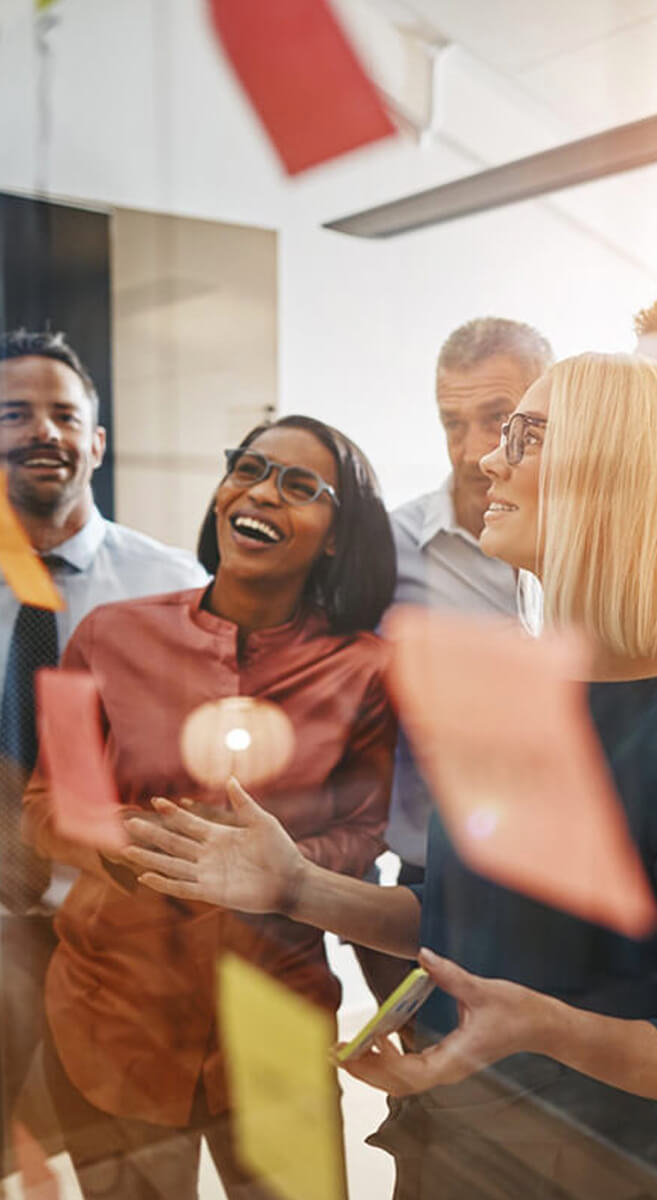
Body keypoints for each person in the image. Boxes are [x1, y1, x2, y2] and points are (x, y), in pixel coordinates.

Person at [127, 355, 657, 1198]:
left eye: (527, 436)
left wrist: (550, 1030)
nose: (488, 458)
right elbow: (463, 924)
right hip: (459, 1144)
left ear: (617, 471)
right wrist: (297, 888)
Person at [22, 414, 397, 1199]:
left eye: (299, 486)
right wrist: (121, 838)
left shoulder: (366, 671)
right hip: (111, 1015)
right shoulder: (103, 632)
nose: (259, 492)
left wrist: (278, 868)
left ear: (336, 536)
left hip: (274, 1024)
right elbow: (45, 803)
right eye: (248, 469)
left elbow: (363, 834)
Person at [0, 328, 207, 1182]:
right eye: (15, 413)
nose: (43, 431)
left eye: (64, 414)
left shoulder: (176, 590)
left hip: (125, 942)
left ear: (98, 441)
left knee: (132, 1175)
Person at [356, 317, 553, 1007]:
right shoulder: (389, 545)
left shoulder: (595, 541)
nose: (473, 452)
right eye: (451, 422)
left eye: (498, 419)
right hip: (435, 877)